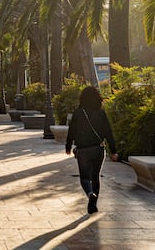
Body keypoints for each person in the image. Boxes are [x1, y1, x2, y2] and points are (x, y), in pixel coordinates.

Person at [65, 86, 118, 214]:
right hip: (98, 149)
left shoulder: (78, 113)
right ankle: (93, 205)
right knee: (95, 176)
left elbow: (71, 130)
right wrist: (114, 150)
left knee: (84, 177)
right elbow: (108, 132)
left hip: (83, 150)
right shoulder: (101, 113)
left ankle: (90, 194)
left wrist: (68, 146)